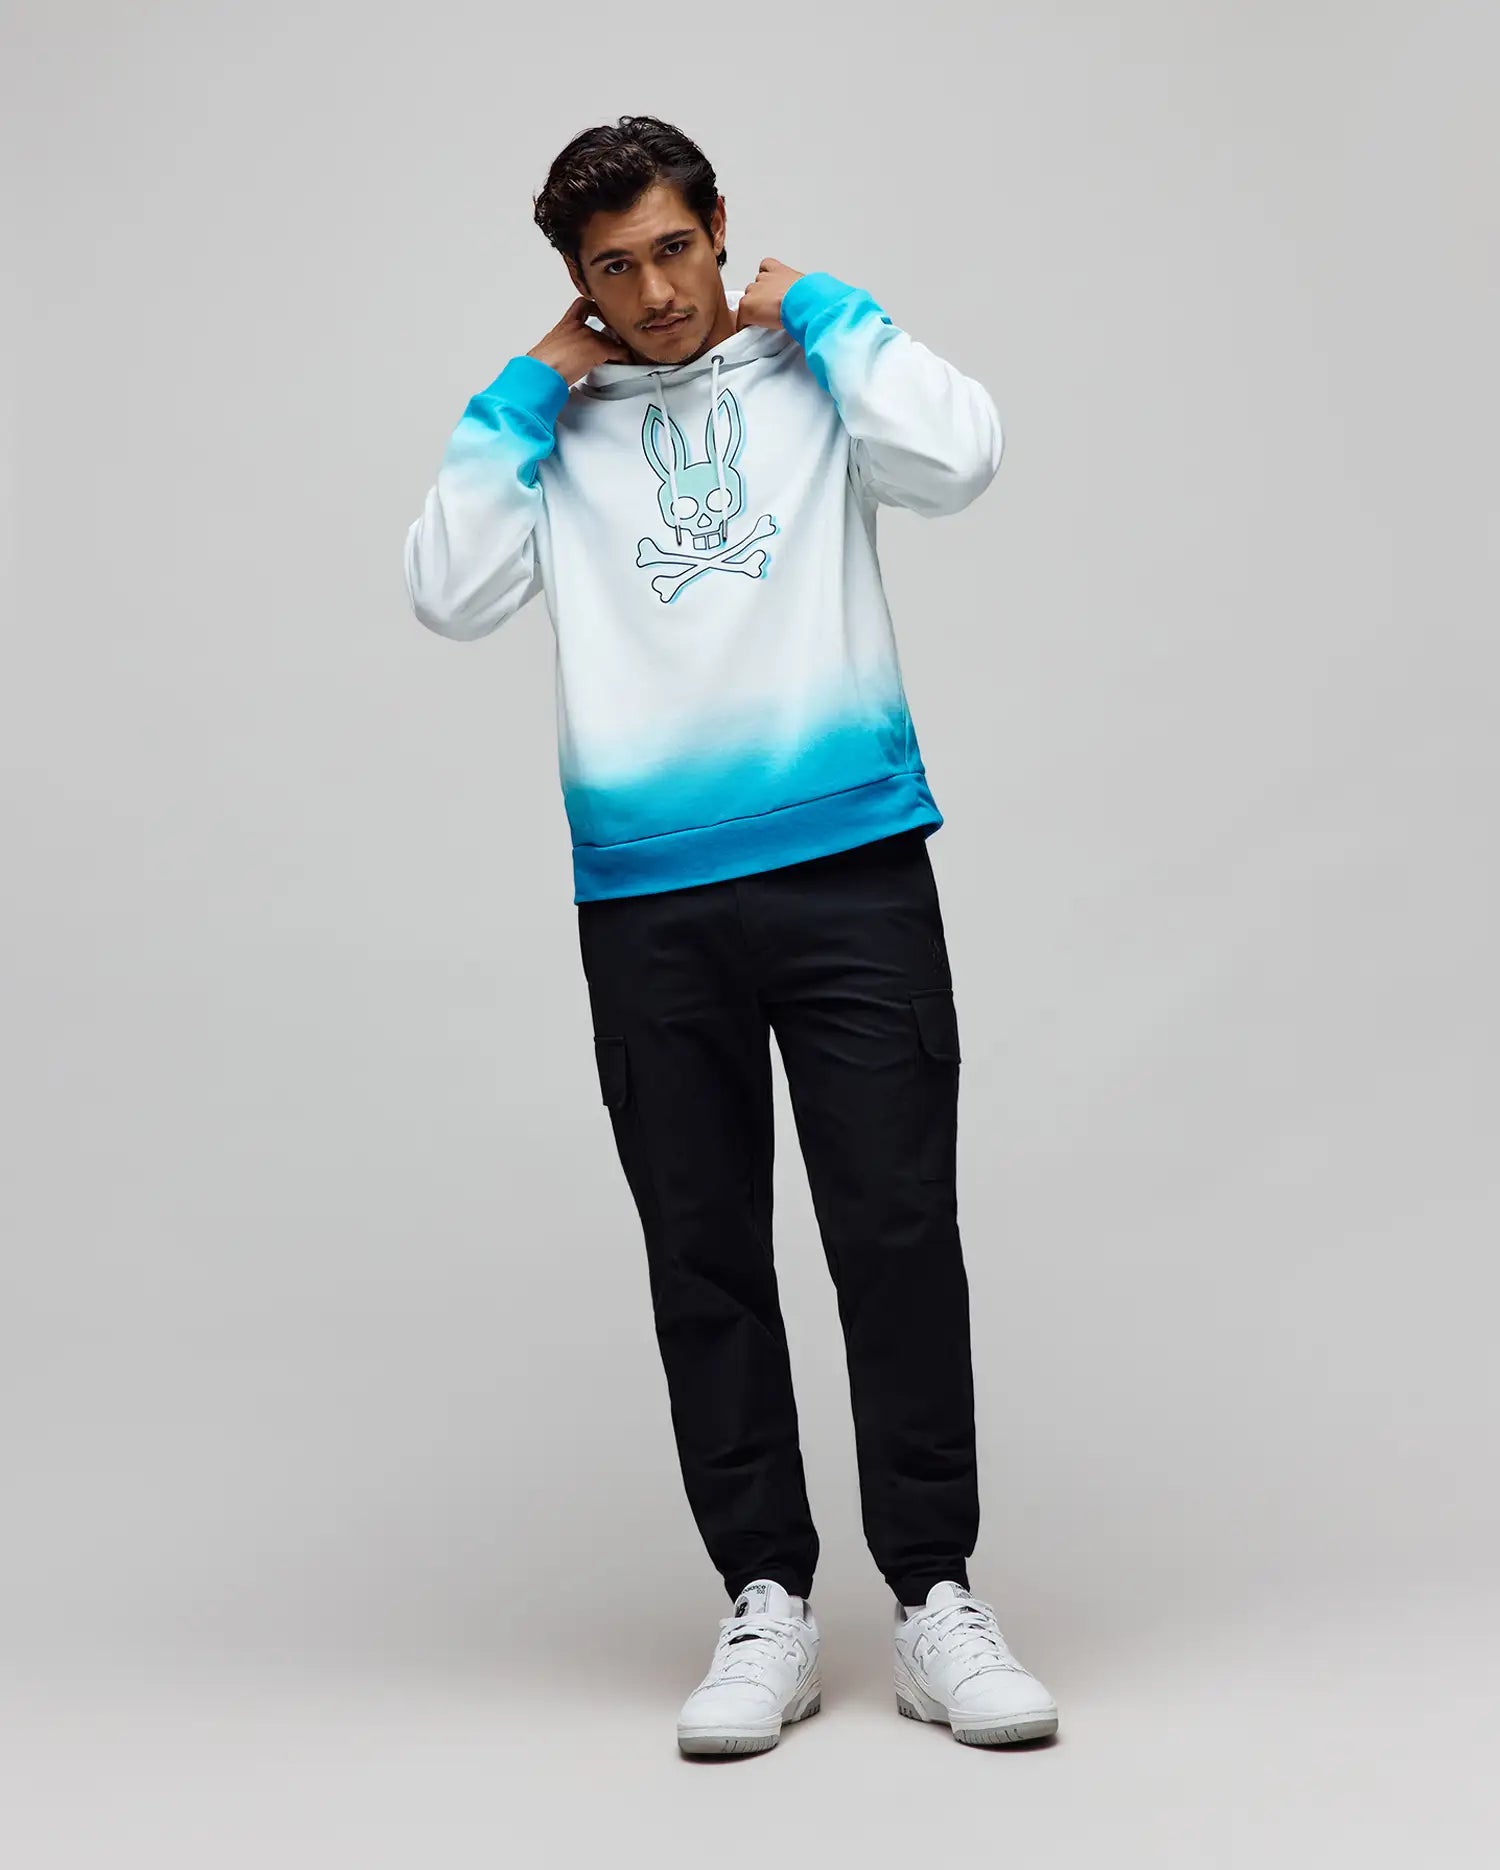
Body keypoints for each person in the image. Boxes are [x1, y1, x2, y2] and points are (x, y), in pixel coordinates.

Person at [403, 114, 1058, 1757]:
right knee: (703, 1255)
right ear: (579, 282)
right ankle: (765, 1597)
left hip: (852, 870)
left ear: (717, 230)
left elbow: (964, 456)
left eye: (675, 250)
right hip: (648, 900)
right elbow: (448, 589)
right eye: (613, 268)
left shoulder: (816, 381)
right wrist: (522, 388)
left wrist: (825, 308)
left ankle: (934, 1597)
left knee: (895, 1235)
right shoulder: (554, 429)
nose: (655, 293)